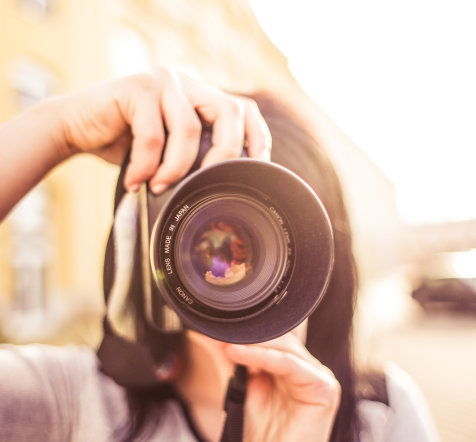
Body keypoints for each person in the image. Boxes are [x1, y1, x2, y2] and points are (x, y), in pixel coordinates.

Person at [0, 68, 438, 442]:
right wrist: (60, 127)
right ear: (154, 240)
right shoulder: (77, 400)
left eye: (259, 240)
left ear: (322, 257)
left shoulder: (381, 414)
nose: (223, 261)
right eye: (205, 230)